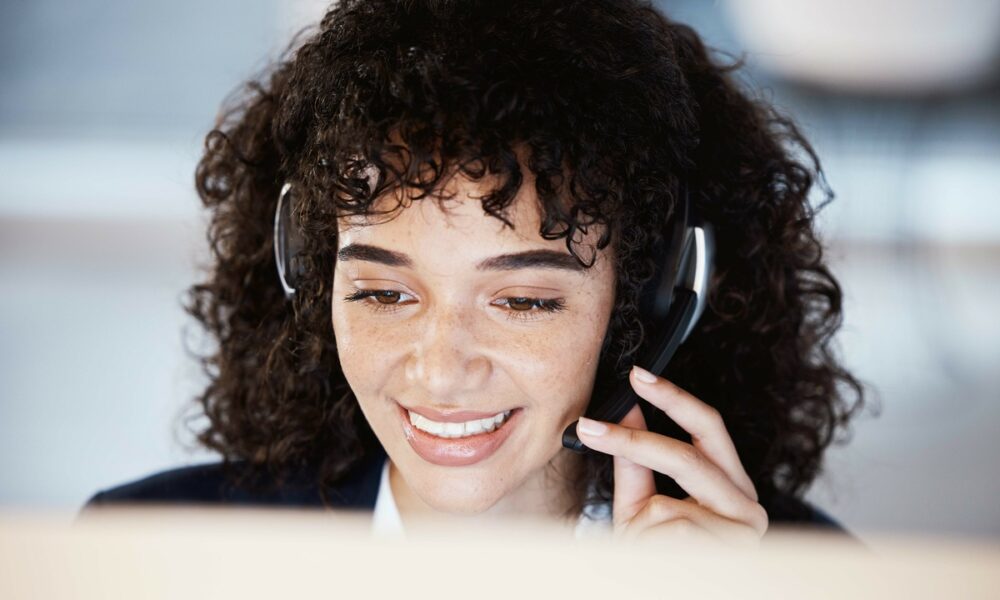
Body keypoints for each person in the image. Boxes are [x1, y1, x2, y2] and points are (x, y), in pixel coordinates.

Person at [82, 0, 869, 547]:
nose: (440, 368)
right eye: (383, 293)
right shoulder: (149, 549)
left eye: (522, 299)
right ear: (309, 278)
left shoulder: (790, 571)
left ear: (654, 305)